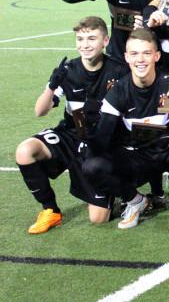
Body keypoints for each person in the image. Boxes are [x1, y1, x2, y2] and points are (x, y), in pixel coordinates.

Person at [81, 29, 169, 230]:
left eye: (146, 53)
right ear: (126, 57)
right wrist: (89, 130)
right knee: (91, 166)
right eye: (135, 54)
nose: (141, 59)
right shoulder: (117, 93)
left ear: (157, 56)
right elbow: (103, 141)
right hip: (138, 158)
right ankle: (135, 201)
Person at [16, 17, 128, 233]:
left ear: (105, 41)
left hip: (100, 141)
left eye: (92, 38)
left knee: (98, 219)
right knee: (25, 150)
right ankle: (50, 210)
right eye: (80, 39)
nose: (85, 44)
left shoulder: (119, 71)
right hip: (70, 134)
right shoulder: (68, 70)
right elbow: (40, 111)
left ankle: (111, 188)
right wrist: (51, 85)